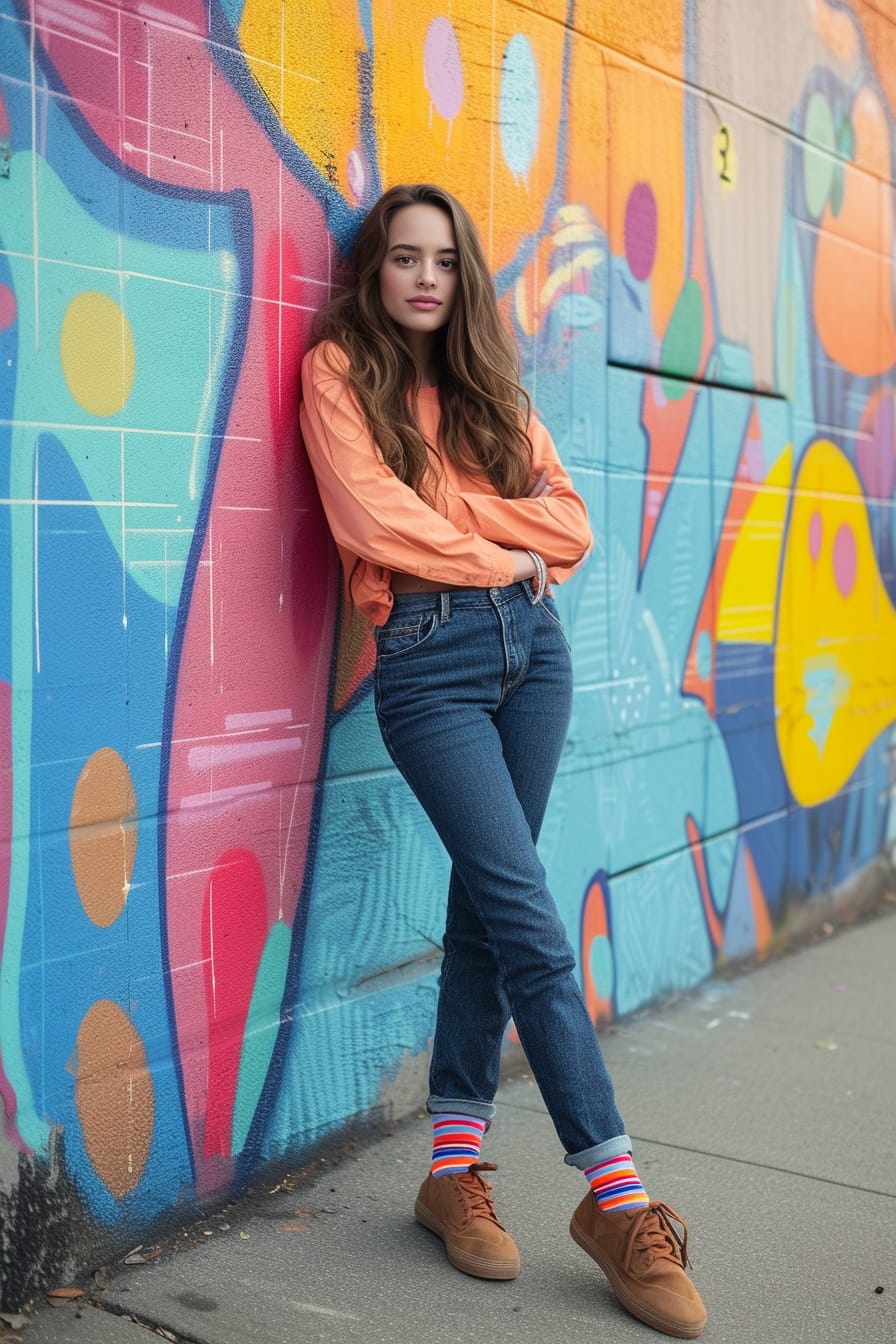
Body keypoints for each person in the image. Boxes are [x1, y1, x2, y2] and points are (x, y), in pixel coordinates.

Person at [299, 183, 706, 1339]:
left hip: (536, 655)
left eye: (442, 259)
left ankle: (452, 1172)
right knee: (531, 920)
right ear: (373, 273)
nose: (423, 278)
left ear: (462, 275)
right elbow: (372, 520)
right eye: (401, 259)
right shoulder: (337, 373)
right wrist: (494, 537)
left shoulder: (490, 393)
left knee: (488, 910)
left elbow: (572, 524)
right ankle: (617, 1201)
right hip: (428, 662)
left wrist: (485, 533)